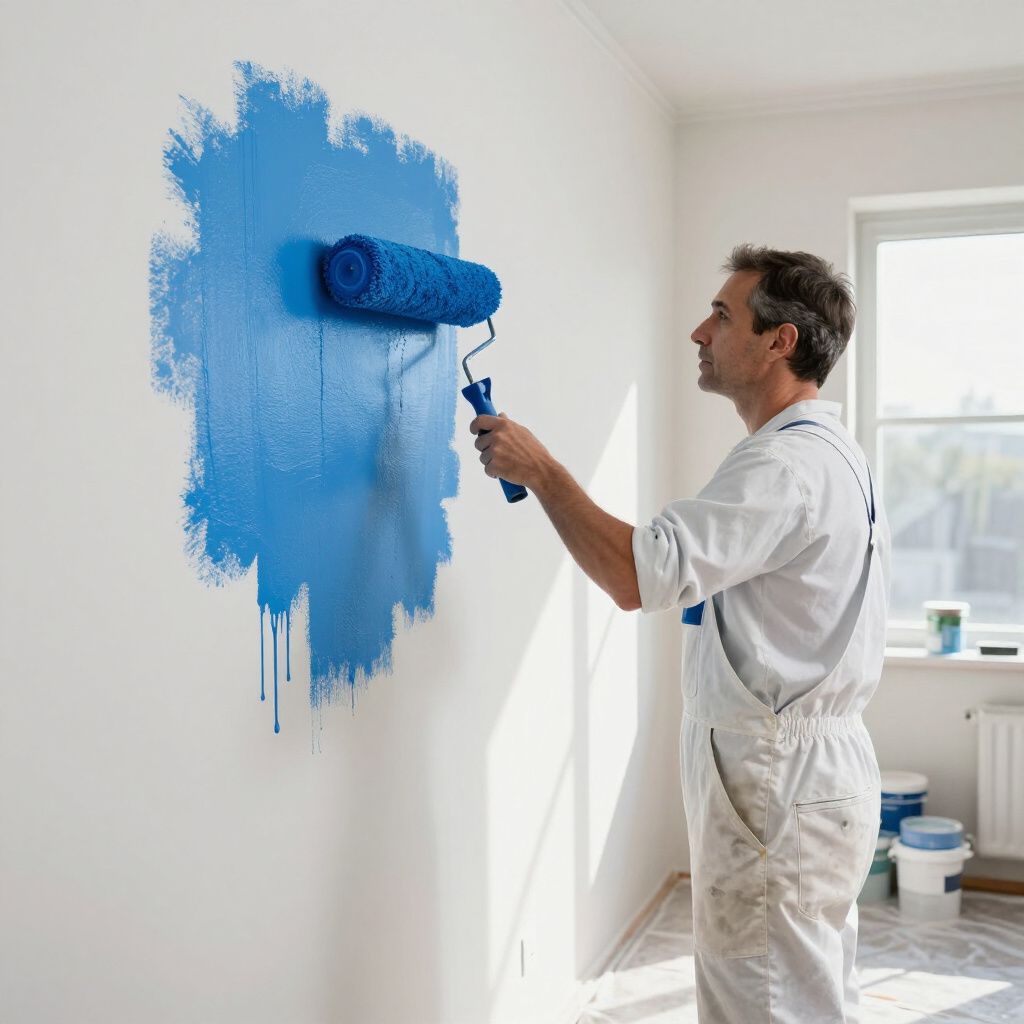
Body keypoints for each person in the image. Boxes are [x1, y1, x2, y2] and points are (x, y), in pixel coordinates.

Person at [469, 244, 891, 1024]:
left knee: (763, 1001)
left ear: (779, 342)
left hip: (779, 778)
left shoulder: (786, 467)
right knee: (804, 991)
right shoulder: (830, 453)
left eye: (722, 315)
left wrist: (545, 473)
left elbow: (640, 576)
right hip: (808, 769)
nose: (699, 332)